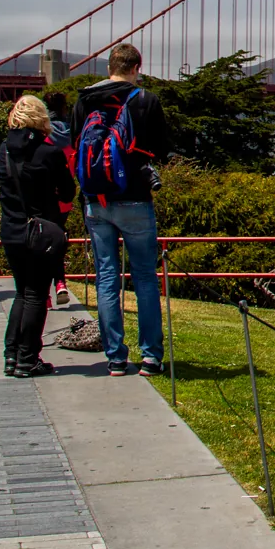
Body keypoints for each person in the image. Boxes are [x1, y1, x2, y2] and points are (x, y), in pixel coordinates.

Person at [74, 43, 170, 377]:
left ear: (109, 67)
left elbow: (75, 145)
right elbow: (162, 147)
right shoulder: (145, 100)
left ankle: (115, 358)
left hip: (96, 202)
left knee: (106, 278)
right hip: (135, 200)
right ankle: (150, 358)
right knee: (144, 277)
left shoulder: (84, 99)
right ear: (136, 67)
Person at [0, 95, 76, 378]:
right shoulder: (50, 152)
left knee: (22, 292)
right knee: (36, 296)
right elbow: (68, 192)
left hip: (10, 230)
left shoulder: (3, 150)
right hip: (40, 232)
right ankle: (28, 359)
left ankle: (12, 355)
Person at [44, 91, 77, 309]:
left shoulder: (42, 136)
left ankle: (47, 292)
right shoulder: (74, 136)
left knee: (43, 244)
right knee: (57, 240)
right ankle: (60, 284)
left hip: (44, 197)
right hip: (65, 197)